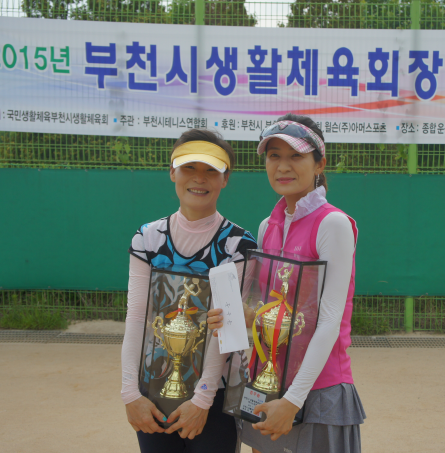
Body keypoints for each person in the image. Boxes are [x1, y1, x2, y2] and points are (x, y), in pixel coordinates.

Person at [121, 129, 258, 453]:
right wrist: (130, 393)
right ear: (172, 172)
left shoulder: (238, 244)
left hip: (216, 395)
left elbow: (224, 328)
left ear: (225, 179)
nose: (199, 178)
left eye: (211, 169)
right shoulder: (147, 238)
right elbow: (137, 317)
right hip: (152, 390)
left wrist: (203, 399)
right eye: (189, 167)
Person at [242, 114, 366, 453]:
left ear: (319, 164)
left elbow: (330, 320)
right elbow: (262, 308)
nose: (283, 166)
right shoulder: (268, 226)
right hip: (268, 383)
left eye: (296, 156)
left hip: (316, 389)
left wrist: (293, 400)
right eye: (274, 156)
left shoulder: (333, 224)